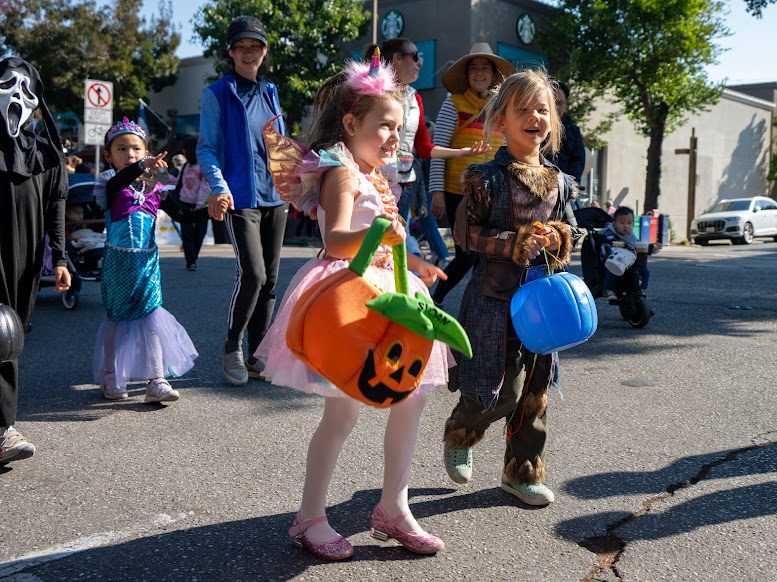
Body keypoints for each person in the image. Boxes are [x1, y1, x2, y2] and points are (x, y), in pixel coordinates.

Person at [254, 56, 450, 560]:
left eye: (399, 129)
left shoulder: (376, 175)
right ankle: (310, 516)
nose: (393, 137)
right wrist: (378, 234)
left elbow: (389, 237)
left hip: (395, 294)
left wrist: (416, 262)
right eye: (384, 125)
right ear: (350, 123)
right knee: (341, 415)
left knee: (410, 398)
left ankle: (394, 507)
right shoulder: (340, 170)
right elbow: (339, 240)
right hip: (353, 299)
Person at [442, 70, 581, 506]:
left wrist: (558, 235)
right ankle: (463, 432)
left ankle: (521, 472)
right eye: (522, 109)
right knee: (499, 387)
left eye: (543, 109)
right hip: (495, 301)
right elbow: (465, 236)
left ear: (553, 121)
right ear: (500, 121)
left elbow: (575, 232)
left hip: (544, 303)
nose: (535, 116)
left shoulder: (560, 181)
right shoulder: (486, 178)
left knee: (536, 392)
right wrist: (515, 242)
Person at [93, 118, 212, 402]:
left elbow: (183, 215)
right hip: (117, 264)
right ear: (108, 155)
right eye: (121, 149)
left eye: (136, 149)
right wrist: (141, 167)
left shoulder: (155, 191)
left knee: (151, 317)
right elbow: (122, 179)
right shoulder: (110, 185)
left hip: (147, 265)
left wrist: (211, 210)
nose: (129, 154)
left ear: (146, 152)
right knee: (116, 319)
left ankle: (156, 379)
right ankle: (111, 376)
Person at [198, 15, 287, 386]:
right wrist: (219, 187)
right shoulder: (217, 93)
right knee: (253, 274)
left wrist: (299, 179)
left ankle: (257, 354)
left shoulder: (270, 92)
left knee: (271, 280)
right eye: (242, 47)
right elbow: (206, 148)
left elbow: (281, 146)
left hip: (275, 197)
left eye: (256, 46)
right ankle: (232, 344)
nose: (249, 53)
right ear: (230, 52)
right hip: (239, 197)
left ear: (264, 52)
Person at [0, 57, 71, 465]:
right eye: (7, 84)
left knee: (9, 337)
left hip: (25, 258)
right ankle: (4, 428)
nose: (17, 96)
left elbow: (55, 209)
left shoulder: (44, 153)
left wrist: (60, 258)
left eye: (27, 88)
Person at [363, 39, 490, 244]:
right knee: (366, 241)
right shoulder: (370, 92)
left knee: (393, 244)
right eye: (415, 56)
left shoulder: (415, 98)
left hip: (402, 184)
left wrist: (461, 152)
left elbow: (423, 148)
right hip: (369, 179)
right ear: (396, 59)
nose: (420, 63)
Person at [429, 43, 516, 304]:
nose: (479, 74)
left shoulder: (501, 109)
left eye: (485, 69)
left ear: (493, 75)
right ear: (467, 75)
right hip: (459, 192)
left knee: (488, 252)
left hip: (494, 191)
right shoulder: (452, 104)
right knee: (467, 254)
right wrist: (436, 193)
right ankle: (436, 298)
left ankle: (480, 307)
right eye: (474, 69)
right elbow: (439, 150)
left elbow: (507, 149)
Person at [174, 137, 211, 271]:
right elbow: (178, 183)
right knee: (187, 234)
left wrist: (199, 205)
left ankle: (193, 256)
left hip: (201, 206)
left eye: (184, 148)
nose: (183, 151)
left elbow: (205, 186)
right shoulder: (185, 166)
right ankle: (191, 261)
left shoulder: (203, 165)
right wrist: (165, 178)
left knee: (200, 233)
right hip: (185, 203)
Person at [601, 206, 653, 299]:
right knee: (614, 269)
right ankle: (609, 289)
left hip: (629, 259)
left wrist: (650, 247)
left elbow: (636, 245)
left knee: (644, 270)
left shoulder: (631, 235)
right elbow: (607, 242)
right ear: (614, 224)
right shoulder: (610, 232)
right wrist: (613, 242)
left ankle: (641, 288)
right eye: (621, 223)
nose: (626, 226)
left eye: (629, 223)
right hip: (613, 258)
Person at [549, 81, 586, 185]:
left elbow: (578, 160)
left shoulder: (573, 130)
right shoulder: (535, 126)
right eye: (553, 102)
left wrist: (571, 185)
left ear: (566, 103)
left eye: (560, 103)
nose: (557, 107)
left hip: (565, 187)